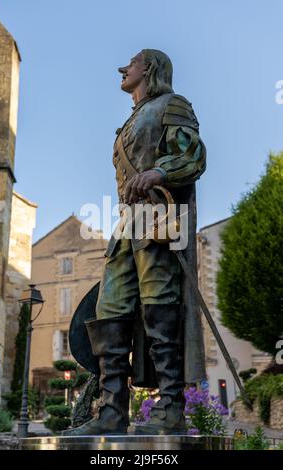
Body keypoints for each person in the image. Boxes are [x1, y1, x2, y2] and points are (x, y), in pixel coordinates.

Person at [64, 49, 206, 436]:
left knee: (159, 306)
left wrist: (159, 171)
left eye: (132, 63)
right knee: (109, 310)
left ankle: (171, 406)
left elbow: (193, 155)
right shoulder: (127, 124)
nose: (123, 69)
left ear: (150, 69)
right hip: (127, 224)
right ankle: (111, 411)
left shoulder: (172, 105)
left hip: (158, 221)